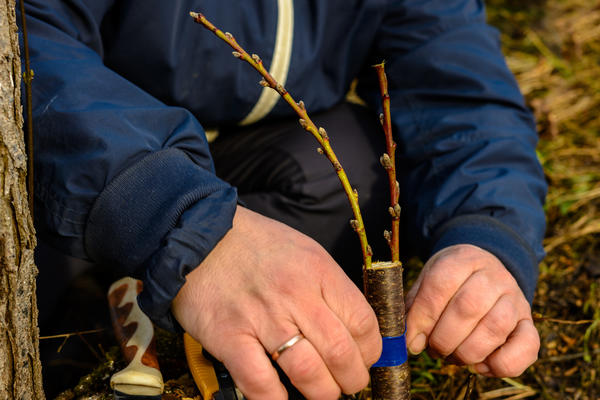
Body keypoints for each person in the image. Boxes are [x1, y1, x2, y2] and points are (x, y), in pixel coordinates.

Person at [22, 0, 546, 398]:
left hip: (248, 160)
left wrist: (487, 232)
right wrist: (184, 225)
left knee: (355, 168)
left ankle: (154, 308)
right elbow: (28, 45)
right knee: (36, 302)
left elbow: (461, 93)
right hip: (76, 170)